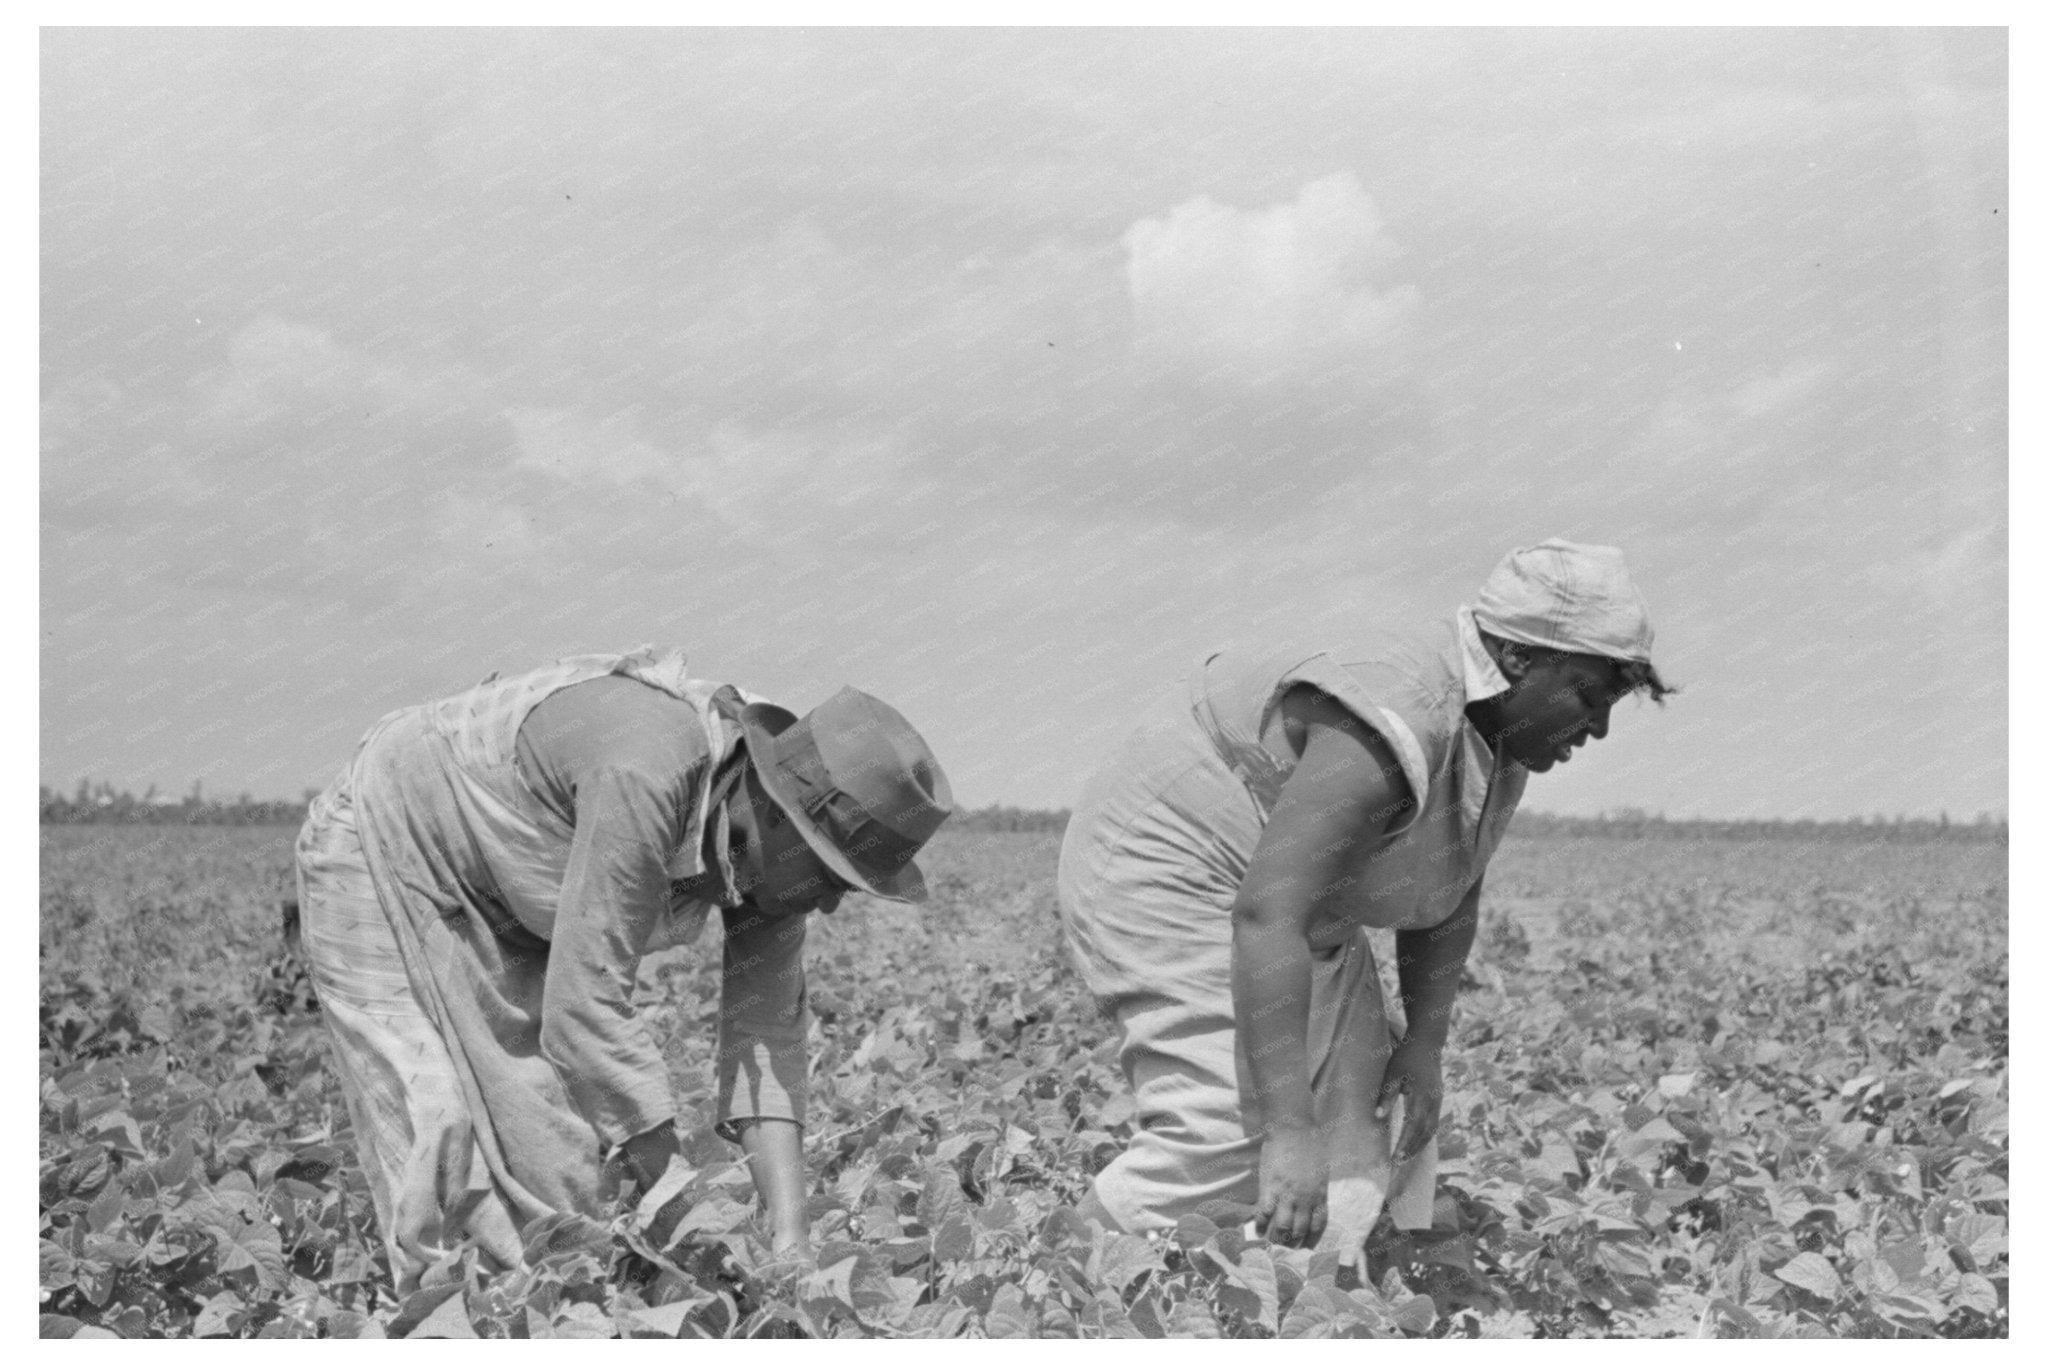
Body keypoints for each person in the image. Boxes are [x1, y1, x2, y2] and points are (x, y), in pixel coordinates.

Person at [1058, 540, 1672, 1256]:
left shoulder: (1500, 730)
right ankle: (1052, 1284)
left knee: (1364, 1119)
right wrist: (1288, 1128)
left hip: (1294, 896)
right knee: (1233, 1127)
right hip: (1172, 863)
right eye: (1589, 696)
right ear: (1518, 659)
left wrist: (1423, 1045)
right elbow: (1268, 914)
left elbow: (1452, 885)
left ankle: (1262, 1296)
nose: (1598, 726)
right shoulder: (1400, 708)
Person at [293, 646, 952, 1292]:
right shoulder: (650, 768)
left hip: (520, 904)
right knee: (437, 1131)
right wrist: (693, 1218)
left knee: (551, 1175)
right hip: (387, 838)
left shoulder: (776, 863)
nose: (832, 900)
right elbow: (585, 1012)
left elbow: (767, 1042)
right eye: (833, 875)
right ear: (782, 815)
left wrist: (790, 1243)